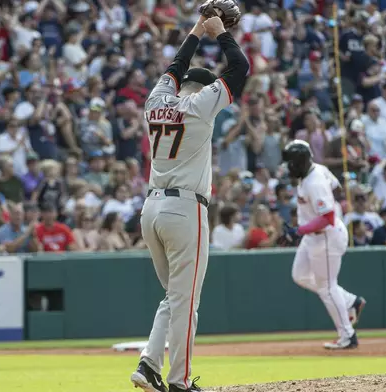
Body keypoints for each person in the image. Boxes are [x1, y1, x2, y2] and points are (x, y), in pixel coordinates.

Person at [130, 15, 249, 392]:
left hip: (151, 209)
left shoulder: (155, 100)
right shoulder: (200, 106)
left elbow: (174, 66)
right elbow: (240, 68)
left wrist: (197, 28)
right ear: (203, 89)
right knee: (186, 302)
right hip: (184, 210)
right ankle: (179, 380)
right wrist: (220, 33)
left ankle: (149, 364)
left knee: (174, 296)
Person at [282, 140, 365, 350]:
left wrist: (299, 230)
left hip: (326, 237)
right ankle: (349, 301)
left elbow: (327, 217)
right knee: (300, 275)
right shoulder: (317, 170)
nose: (289, 167)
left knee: (327, 288)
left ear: (299, 162)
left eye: (291, 162)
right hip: (313, 236)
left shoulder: (315, 181)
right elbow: (336, 189)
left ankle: (348, 335)